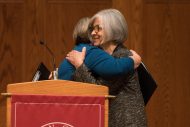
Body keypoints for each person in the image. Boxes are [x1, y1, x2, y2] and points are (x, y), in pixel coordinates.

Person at [66, 9, 147, 127]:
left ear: (113, 29)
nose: (93, 33)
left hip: (126, 122)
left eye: (98, 28)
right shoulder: (104, 57)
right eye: (92, 29)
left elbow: (101, 90)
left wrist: (79, 65)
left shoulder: (122, 56)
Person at [58, 17, 141, 80]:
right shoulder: (89, 51)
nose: (96, 32)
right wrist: (133, 61)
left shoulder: (78, 49)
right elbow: (114, 68)